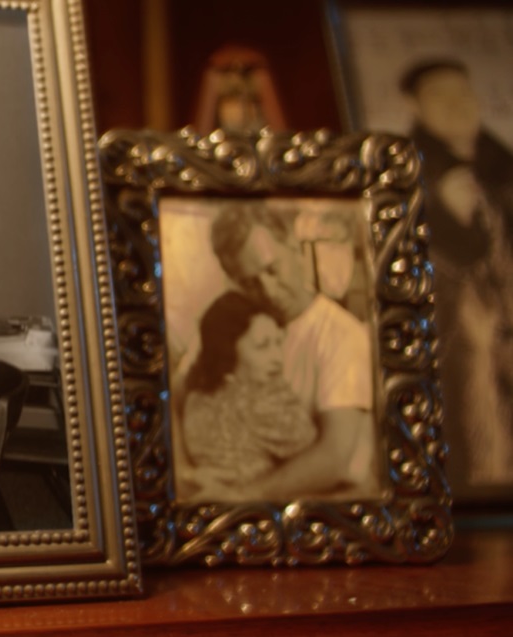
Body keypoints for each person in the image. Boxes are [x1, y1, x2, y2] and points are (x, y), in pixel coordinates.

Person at [207, 203, 376, 500]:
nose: (268, 290)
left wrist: (241, 496)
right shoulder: (241, 323)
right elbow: (180, 392)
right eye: (250, 283)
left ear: (294, 247)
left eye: (272, 269)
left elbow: (334, 458)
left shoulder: (342, 336)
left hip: (326, 503)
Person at [400, 58, 513, 486]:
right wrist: (449, 220)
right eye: (439, 97)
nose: (455, 105)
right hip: (465, 338)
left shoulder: (501, 167)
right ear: (414, 106)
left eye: (462, 93)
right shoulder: (409, 179)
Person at [178, 291, 315, 502]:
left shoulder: (195, 398)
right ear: (228, 352)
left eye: (278, 343)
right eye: (262, 346)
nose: (278, 358)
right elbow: (324, 461)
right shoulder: (267, 400)